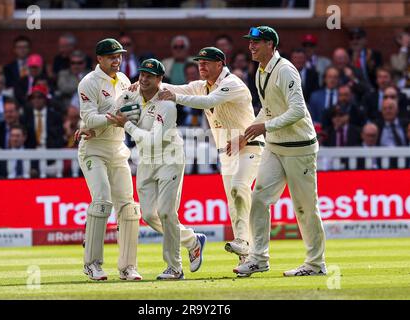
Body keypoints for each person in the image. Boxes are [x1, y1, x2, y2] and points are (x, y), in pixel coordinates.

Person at [158, 47, 264, 269]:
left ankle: (244, 242)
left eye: (206, 63)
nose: (201, 66)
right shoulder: (200, 85)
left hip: (249, 144)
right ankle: (247, 257)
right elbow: (172, 86)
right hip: (226, 151)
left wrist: (175, 98)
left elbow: (208, 102)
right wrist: (142, 84)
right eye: (199, 63)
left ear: (220, 64)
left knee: (238, 188)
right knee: (234, 203)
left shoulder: (232, 83)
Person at [233, 26, 326, 277]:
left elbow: (297, 110)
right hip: (275, 147)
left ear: (271, 45)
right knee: (260, 199)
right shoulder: (260, 71)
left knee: (305, 207)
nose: (251, 46)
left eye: (257, 42)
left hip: (299, 147)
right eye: (250, 42)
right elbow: (269, 108)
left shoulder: (285, 70)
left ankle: (316, 264)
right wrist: (251, 129)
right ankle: (258, 258)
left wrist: (265, 126)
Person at [108, 59, 206, 280]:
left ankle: (174, 268)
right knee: (150, 215)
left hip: (169, 158)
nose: (144, 79)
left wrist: (127, 125)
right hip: (146, 160)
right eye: (141, 75)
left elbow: (153, 141)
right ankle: (192, 241)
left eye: (149, 76)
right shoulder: (133, 92)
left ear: (160, 80)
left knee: (166, 212)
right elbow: (114, 110)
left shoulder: (166, 104)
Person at [77, 38, 142, 281]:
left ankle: (128, 267)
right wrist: (115, 116)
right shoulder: (88, 83)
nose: (117, 61)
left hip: (117, 148)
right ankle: (92, 264)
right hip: (93, 149)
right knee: (102, 200)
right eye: (112, 57)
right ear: (99, 59)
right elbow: (90, 120)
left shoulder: (124, 80)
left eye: (119, 56)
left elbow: (131, 112)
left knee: (129, 207)